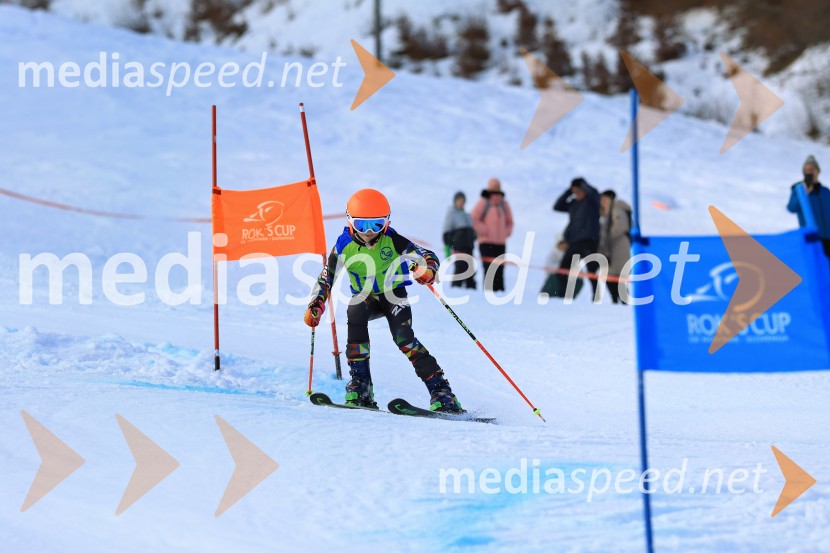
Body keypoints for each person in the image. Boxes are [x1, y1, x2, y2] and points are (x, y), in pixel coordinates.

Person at [304, 188, 463, 413]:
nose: (369, 232)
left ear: (386, 222)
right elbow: (326, 278)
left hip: (393, 294)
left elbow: (427, 256)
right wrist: (316, 304)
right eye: (361, 225)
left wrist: (426, 269)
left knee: (405, 339)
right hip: (365, 296)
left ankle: (442, 392)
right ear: (350, 222)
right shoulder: (343, 246)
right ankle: (361, 387)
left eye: (377, 225)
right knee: (355, 311)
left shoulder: (393, 240)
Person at [553, 177, 601, 297]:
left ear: (584, 189)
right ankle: (564, 295)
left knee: (592, 271)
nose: (576, 194)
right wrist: (568, 191)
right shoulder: (573, 204)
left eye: (578, 190)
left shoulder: (592, 202)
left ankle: (596, 297)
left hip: (590, 241)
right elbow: (557, 206)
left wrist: (583, 184)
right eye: (574, 192)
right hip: (574, 242)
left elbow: (594, 193)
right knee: (563, 270)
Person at [471, 178, 514, 292]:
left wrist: (506, 233)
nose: (496, 189)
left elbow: (510, 222)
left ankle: (500, 294)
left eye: (497, 186)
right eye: (494, 186)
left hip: (500, 243)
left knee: (500, 269)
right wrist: (484, 230)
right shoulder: (483, 202)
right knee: (489, 269)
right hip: (485, 242)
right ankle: (489, 293)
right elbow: (473, 219)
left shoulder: (504, 204)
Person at [787, 154, 830, 258]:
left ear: (818, 171)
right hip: (811, 238)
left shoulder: (825, 191)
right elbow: (791, 208)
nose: (809, 171)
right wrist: (804, 194)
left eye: (812, 168)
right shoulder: (798, 190)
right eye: (806, 169)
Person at [599, 190, 632, 304]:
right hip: (613, 250)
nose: (602, 202)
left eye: (604, 199)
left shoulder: (616, 209)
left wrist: (606, 238)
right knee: (613, 278)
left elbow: (621, 226)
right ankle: (619, 302)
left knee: (616, 279)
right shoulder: (607, 213)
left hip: (618, 249)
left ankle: (622, 303)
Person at [442, 191, 477, 288]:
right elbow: (447, 230)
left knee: (471, 268)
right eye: (459, 200)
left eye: (463, 200)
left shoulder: (466, 215)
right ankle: (456, 289)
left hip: (469, 246)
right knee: (460, 268)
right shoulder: (452, 213)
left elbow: (471, 228)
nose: (461, 202)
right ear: (455, 201)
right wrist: (447, 246)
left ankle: (471, 290)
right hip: (459, 245)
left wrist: (473, 235)